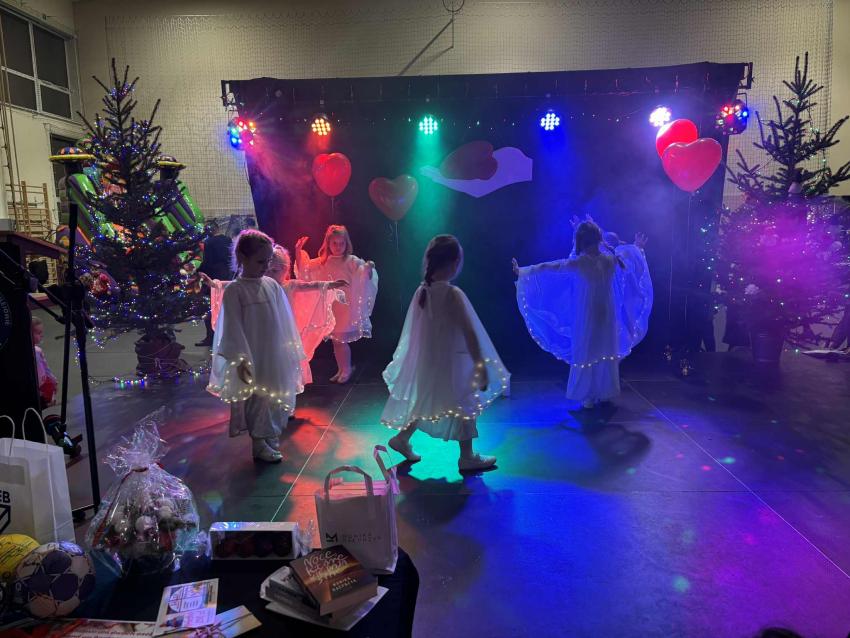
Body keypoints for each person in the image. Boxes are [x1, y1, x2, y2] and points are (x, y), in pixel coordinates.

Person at [382, 235, 509, 472]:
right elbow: (470, 332)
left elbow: (415, 333)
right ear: (454, 262)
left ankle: (402, 438)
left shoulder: (423, 291)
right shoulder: (452, 294)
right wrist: (480, 366)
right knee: (464, 403)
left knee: (427, 401)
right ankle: (467, 456)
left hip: (428, 362)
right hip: (452, 362)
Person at [513, 220, 652, 409]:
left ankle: (588, 394)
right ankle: (603, 390)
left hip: (588, 315)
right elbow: (628, 259)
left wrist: (523, 271)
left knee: (588, 351)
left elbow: (550, 267)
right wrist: (637, 246)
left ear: (580, 242)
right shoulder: (610, 260)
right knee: (604, 350)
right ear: (598, 239)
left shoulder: (580, 263)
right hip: (607, 314)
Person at [206, 230, 305, 463]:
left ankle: (270, 434)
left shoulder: (271, 285)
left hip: (273, 352)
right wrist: (241, 360)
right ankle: (259, 443)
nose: (265, 267)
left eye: (268, 261)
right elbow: (232, 328)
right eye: (260, 262)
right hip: (250, 355)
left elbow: (283, 320)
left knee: (274, 394)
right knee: (257, 397)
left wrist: (287, 349)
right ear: (242, 258)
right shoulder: (235, 291)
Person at [201, 244, 347, 385]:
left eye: (275, 271)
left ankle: (281, 384)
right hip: (261, 330)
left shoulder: (289, 286)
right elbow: (234, 285)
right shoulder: (257, 284)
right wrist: (214, 284)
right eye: (267, 271)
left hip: (283, 332)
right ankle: (262, 382)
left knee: (282, 360)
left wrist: (329, 285)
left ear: (284, 270)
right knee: (263, 358)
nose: (270, 275)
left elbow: (311, 285)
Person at [295, 225, 378, 383]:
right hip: (331, 307)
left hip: (344, 307)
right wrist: (298, 251)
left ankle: (346, 369)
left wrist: (368, 268)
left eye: (341, 243)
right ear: (328, 244)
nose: (338, 247)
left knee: (340, 341)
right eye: (335, 243)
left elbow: (363, 276)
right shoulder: (323, 261)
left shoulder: (351, 261)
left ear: (347, 243)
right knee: (337, 342)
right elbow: (305, 270)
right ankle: (342, 368)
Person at [196, 220, 233, 347]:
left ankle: (210, 337)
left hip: (213, 278)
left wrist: (198, 271)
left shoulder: (209, 242)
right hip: (227, 277)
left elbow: (208, 262)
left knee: (209, 306)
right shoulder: (228, 240)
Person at [31, 316, 57, 408]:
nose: (42, 335)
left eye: (42, 332)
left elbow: (45, 367)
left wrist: (53, 380)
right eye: (38, 333)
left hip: (44, 384)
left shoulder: (38, 350)